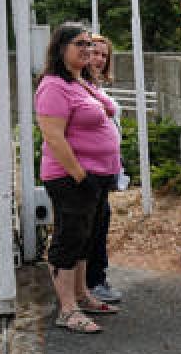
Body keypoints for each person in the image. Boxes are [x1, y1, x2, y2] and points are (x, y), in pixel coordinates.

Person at [35, 23, 122, 334]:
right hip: (71, 177)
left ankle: (83, 295)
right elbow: (54, 138)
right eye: (79, 45)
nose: (87, 50)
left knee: (86, 237)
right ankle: (67, 309)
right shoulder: (53, 85)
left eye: (89, 44)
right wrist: (80, 176)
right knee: (68, 240)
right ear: (61, 49)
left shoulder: (81, 81)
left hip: (96, 177)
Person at [83, 34, 126, 305]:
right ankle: (92, 281)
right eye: (94, 53)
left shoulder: (97, 87)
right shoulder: (79, 87)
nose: (98, 59)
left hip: (105, 170)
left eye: (104, 55)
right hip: (88, 170)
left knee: (101, 221)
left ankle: (96, 278)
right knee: (91, 225)